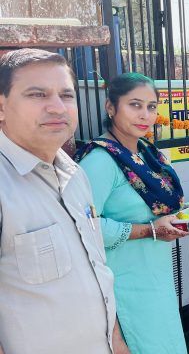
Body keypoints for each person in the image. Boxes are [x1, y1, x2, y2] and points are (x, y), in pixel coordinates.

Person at [0, 48, 127, 353]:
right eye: (37, 94)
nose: (57, 107)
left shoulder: (75, 174)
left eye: (67, 95)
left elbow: (97, 272)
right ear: (1, 107)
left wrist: (118, 343)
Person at [75, 73, 189, 353]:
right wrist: (149, 231)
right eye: (135, 105)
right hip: (125, 285)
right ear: (111, 107)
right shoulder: (101, 161)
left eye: (151, 107)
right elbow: (82, 227)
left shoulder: (148, 154)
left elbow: (159, 208)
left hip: (156, 277)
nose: (145, 115)